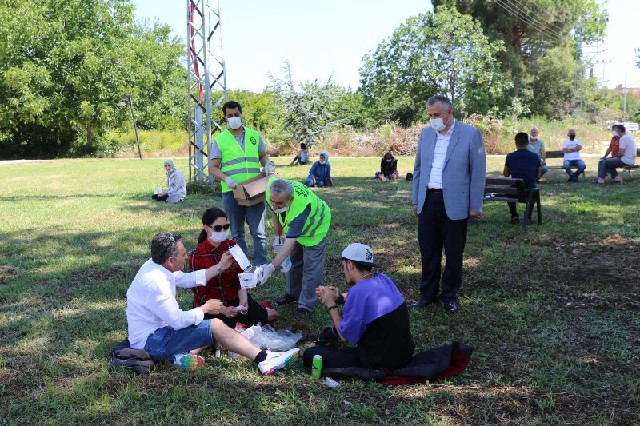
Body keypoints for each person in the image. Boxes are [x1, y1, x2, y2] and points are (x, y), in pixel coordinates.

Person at [125, 232, 298, 374]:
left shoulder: (156, 264)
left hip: (156, 333)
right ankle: (264, 359)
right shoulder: (156, 282)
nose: (187, 257)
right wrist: (205, 308)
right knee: (214, 325)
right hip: (152, 341)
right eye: (184, 254)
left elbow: (186, 279)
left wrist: (220, 266)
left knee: (206, 326)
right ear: (170, 260)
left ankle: (176, 356)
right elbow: (177, 321)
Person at [410, 95, 486, 314]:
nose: (433, 119)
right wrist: (416, 199)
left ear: (449, 113)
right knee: (428, 251)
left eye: (436, 115)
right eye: (430, 115)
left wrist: (475, 205)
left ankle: (450, 295)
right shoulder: (426, 134)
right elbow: (418, 170)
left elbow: (477, 173)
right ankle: (427, 294)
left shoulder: (470, 134)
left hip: (455, 202)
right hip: (428, 200)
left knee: (453, 252)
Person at [302, 243, 414, 371]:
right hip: (405, 354)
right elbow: (360, 298)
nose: (344, 271)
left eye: (343, 267)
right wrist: (337, 297)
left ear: (350, 264)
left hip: (380, 361)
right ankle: (328, 337)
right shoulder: (383, 279)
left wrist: (331, 305)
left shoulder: (358, 291)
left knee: (310, 355)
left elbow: (344, 337)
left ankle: (327, 339)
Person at [188, 207, 278, 328]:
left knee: (264, 317)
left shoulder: (232, 246)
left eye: (226, 227)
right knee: (224, 329)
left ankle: (253, 313)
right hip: (212, 305)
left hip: (233, 298)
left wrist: (243, 300)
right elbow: (200, 293)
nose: (223, 231)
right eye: (218, 228)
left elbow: (241, 277)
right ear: (206, 228)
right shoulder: (197, 255)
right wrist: (223, 309)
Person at [209, 101, 274, 266]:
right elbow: (213, 168)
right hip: (232, 192)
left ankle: (261, 265)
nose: (233, 118)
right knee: (237, 233)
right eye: (229, 115)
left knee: (259, 232)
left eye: (236, 114)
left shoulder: (254, 135)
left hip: (254, 189)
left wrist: (267, 163)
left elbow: (263, 156)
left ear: (241, 114)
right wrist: (226, 179)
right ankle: (244, 266)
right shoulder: (220, 140)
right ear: (224, 117)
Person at [257, 178, 331, 315]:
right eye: (272, 201)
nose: (274, 204)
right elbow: (275, 211)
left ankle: (307, 305)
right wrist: (278, 235)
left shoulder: (300, 208)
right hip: (295, 229)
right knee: (293, 262)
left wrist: (270, 267)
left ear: (290, 200)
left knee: (311, 268)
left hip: (315, 228)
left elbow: (289, 244)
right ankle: (293, 294)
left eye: (279, 203)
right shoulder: (272, 191)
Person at [503, 133, 541, 224]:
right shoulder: (535, 156)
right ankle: (527, 217)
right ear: (527, 142)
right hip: (529, 192)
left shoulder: (510, 156)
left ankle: (514, 215)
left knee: (509, 190)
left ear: (516, 143)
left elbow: (505, 174)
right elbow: (538, 175)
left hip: (514, 192)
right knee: (533, 190)